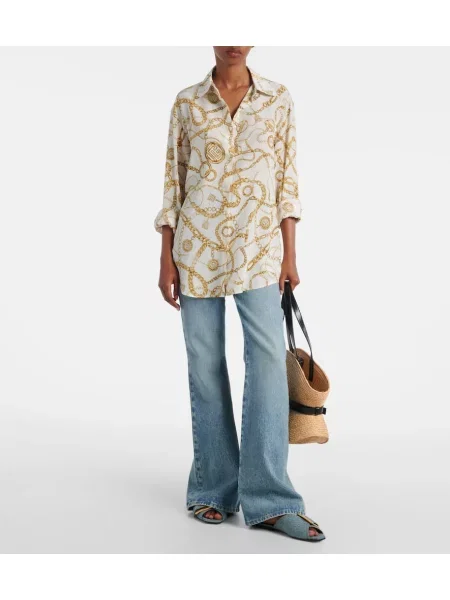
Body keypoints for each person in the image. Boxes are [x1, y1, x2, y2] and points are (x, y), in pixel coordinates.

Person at [155, 46, 325, 542]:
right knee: (205, 364)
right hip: (196, 249)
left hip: (259, 250)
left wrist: (290, 255)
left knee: (268, 361)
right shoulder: (187, 102)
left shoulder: (277, 99)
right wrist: (166, 257)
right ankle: (213, 489)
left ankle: (271, 499)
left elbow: (286, 182)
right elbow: (174, 183)